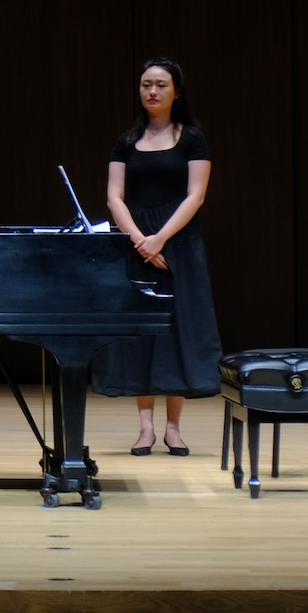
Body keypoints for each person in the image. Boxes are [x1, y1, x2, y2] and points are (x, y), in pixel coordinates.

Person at [93, 57, 221, 457]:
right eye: (146, 84)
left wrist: (160, 239)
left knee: (176, 329)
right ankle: (146, 427)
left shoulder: (192, 139)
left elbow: (196, 195)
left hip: (177, 241)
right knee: (140, 332)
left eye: (161, 85)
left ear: (176, 92)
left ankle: (173, 428)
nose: (152, 91)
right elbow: (114, 197)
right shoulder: (126, 140)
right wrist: (139, 241)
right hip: (135, 241)